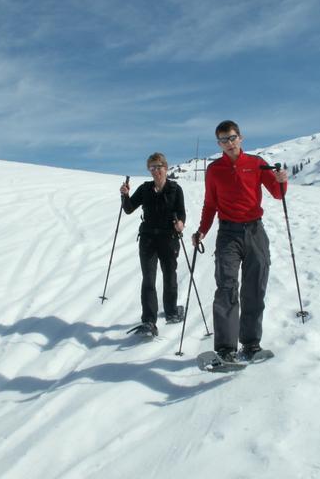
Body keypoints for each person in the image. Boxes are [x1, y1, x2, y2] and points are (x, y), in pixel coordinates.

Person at [193, 120, 288, 361]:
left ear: (241, 138)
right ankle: (226, 349)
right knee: (226, 287)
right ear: (219, 143)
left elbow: (278, 194)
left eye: (232, 138)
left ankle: (251, 345)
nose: (229, 143)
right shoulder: (215, 170)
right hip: (228, 234)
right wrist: (202, 230)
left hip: (255, 231)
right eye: (223, 140)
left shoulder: (255, 164)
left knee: (254, 288)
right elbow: (210, 204)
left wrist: (281, 180)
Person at [121, 152, 186, 335]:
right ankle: (149, 321)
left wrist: (180, 223)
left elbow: (181, 213)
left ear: (165, 167)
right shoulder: (145, 189)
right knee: (148, 279)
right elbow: (128, 209)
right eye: (152, 167)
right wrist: (125, 196)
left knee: (169, 275)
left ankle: (172, 311)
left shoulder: (175, 189)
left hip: (169, 239)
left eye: (159, 166)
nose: (156, 170)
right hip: (148, 239)